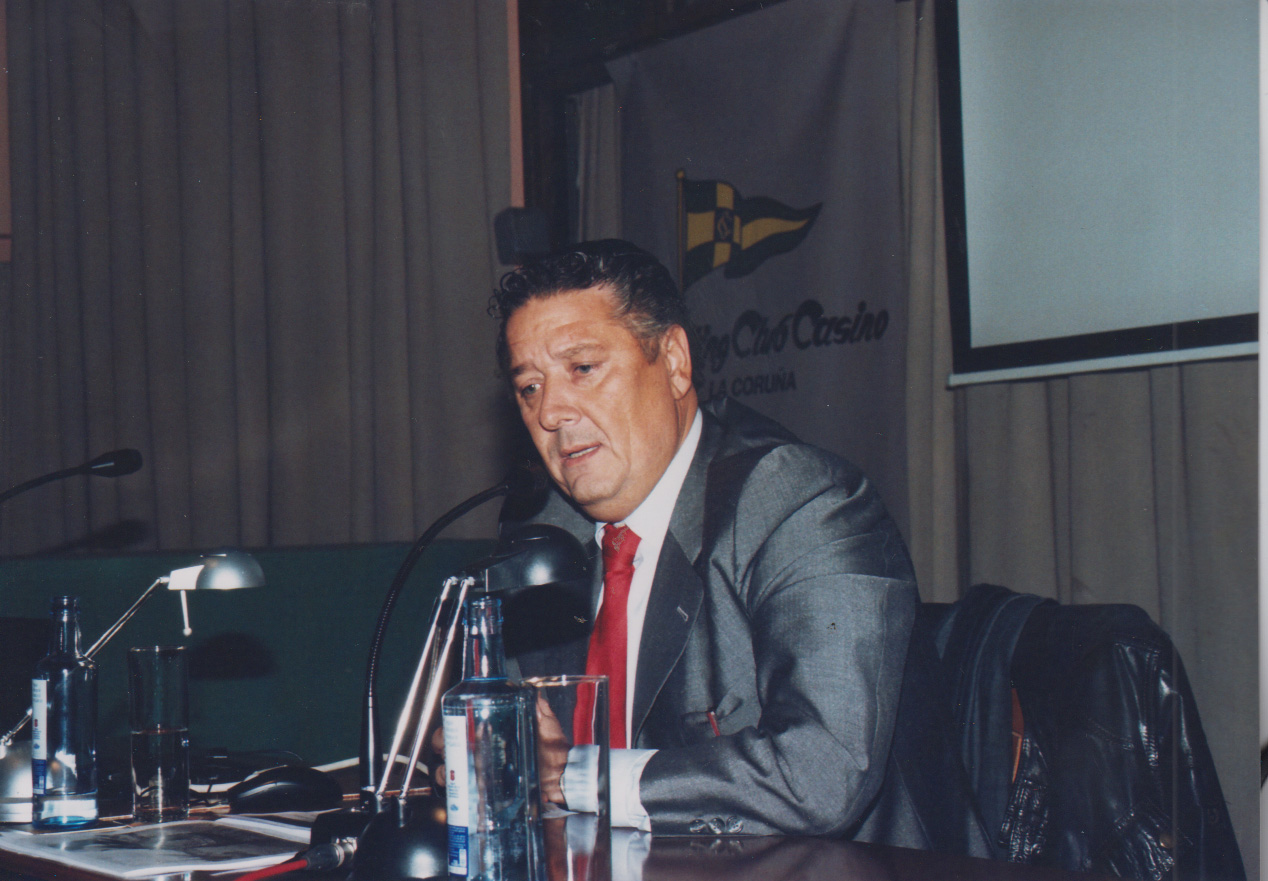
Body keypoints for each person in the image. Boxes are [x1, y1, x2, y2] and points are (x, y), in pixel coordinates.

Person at [491, 240, 989, 852]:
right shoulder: (543, 541)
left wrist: (577, 777)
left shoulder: (799, 503)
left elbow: (822, 774)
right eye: (530, 387)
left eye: (583, 369)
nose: (551, 412)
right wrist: (490, 750)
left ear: (674, 361)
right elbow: (524, 753)